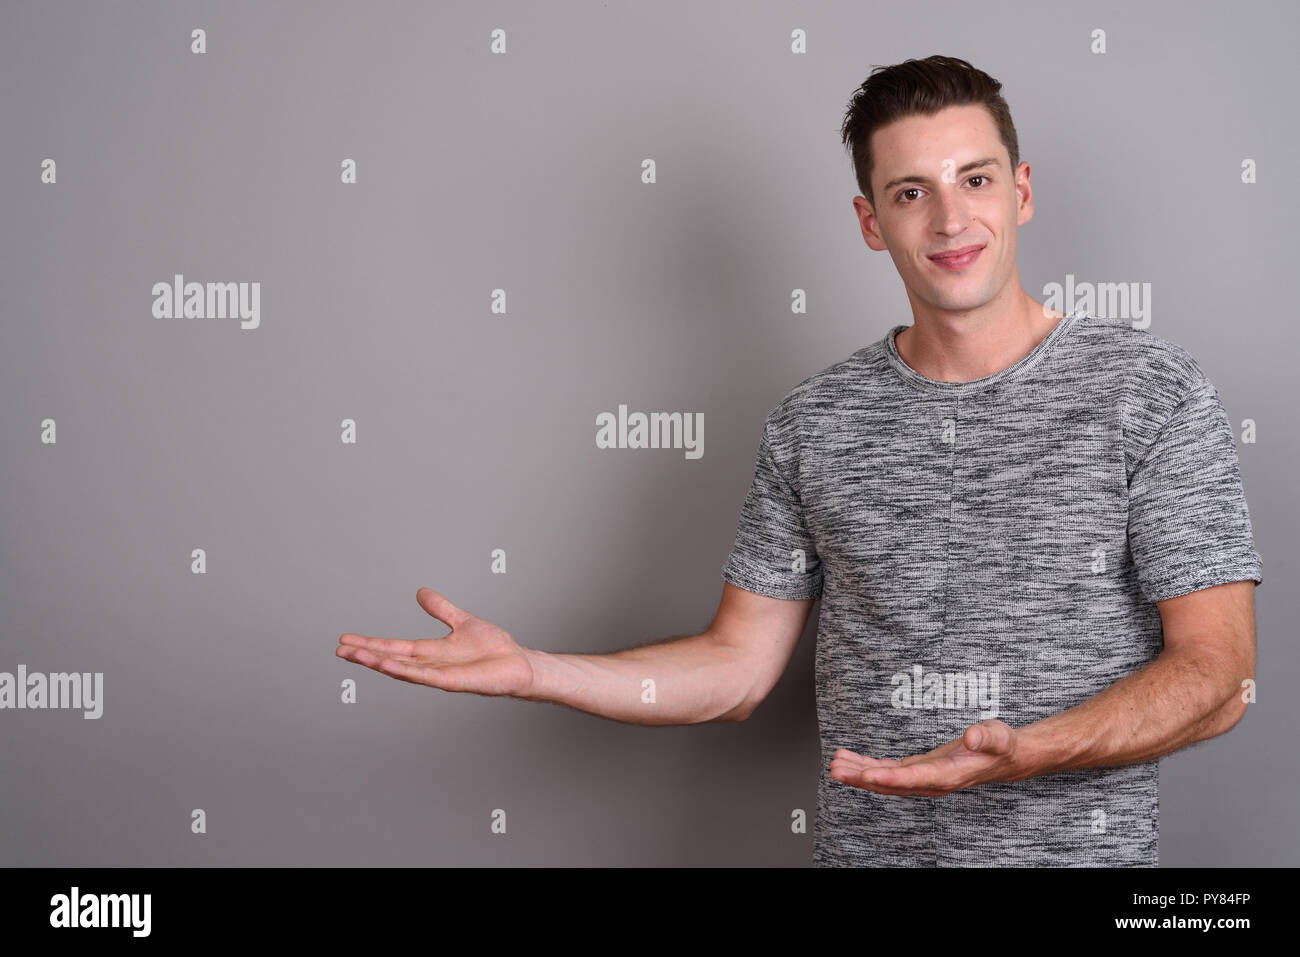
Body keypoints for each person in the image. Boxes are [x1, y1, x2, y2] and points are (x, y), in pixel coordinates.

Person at [336, 55, 1263, 866]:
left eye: (974, 179)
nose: (949, 218)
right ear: (871, 221)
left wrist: (1030, 750)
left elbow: (1218, 670)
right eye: (911, 192)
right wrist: (537, 671)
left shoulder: (1153, 390)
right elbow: (736, 668)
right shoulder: (812, 424)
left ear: (1020, 191)